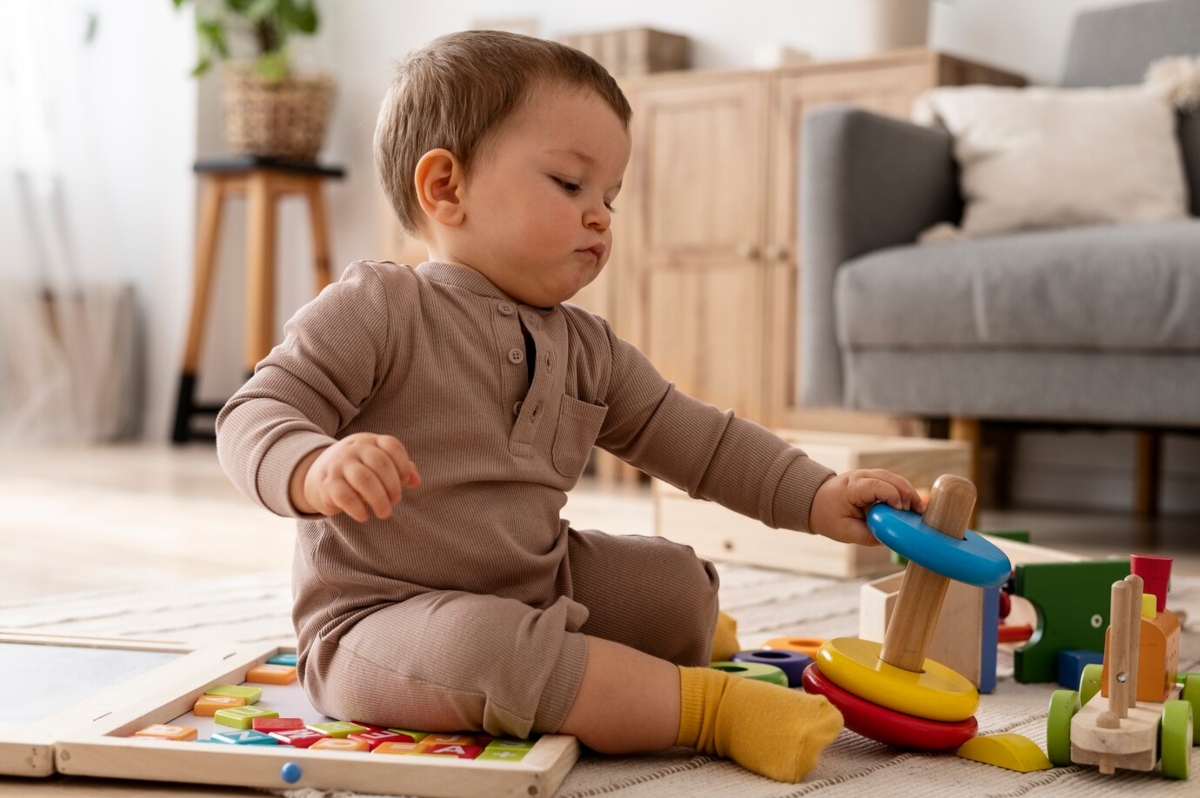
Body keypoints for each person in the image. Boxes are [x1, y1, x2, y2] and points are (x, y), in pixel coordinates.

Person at [216, 30, 925, 784]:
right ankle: (706, 711)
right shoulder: (380, 307)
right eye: (569, 184)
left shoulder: (588, 346)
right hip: (381, 621)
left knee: (679, 585)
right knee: (491, 652)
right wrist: (312, 465)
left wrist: (816, 494)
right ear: (445, 188)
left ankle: (650, 652)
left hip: (535, 579)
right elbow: (254, 414)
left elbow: (703, 443)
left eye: (610, 198)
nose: (601, 217)